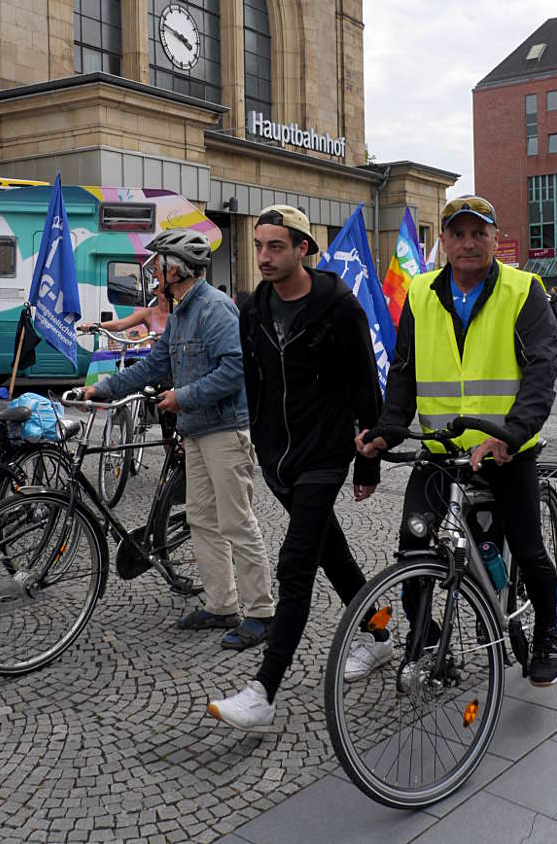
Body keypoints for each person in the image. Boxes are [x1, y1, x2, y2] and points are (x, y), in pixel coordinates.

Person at [356, 194, 557, 688]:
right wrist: (386, 431)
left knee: (530, 549)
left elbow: (542, 368)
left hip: (506, 449)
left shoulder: (523, 290)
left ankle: (548, 634)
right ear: (443, 241)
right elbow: (403, 373)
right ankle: (426, 639)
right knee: (412, 550)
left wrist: (511, 436)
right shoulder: (422, 292)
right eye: (458, 234)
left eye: (479, 233)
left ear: (495, 238)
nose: (468, 243)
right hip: (443, 452)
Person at [207, 205, 385, 733]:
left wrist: (368, 460)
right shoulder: (254, 307)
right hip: (278, 456)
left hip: (325, 453)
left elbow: (363, 383)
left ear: (303, 248)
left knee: (298, 561)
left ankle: (264, 690)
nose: (264, 255)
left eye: (276, 246)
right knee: (334, 554)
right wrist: (262, 441)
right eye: (259, 245)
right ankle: (380, 634)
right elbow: (254, 380)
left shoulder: (338, 305)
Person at [82, 229, 274, 642]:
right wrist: (102, 388)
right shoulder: (181, 312)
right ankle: (222, 606)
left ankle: (262, 611)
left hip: (224, 431)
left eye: (158, 265)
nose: (152, 273)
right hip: (196, 431)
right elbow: (152, 366)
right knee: (201, 518)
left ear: (177, 269)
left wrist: (182, 397)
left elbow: (234, 369)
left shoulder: (215, 309)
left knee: (237, 522)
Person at [78, 277, 171, 339]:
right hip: (157, 363)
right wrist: (97, 326)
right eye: (164, 291)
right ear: (155, 291)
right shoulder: (148, 313)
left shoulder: (179, 310)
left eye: (170, 290)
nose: (167, 294)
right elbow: (120, 324)